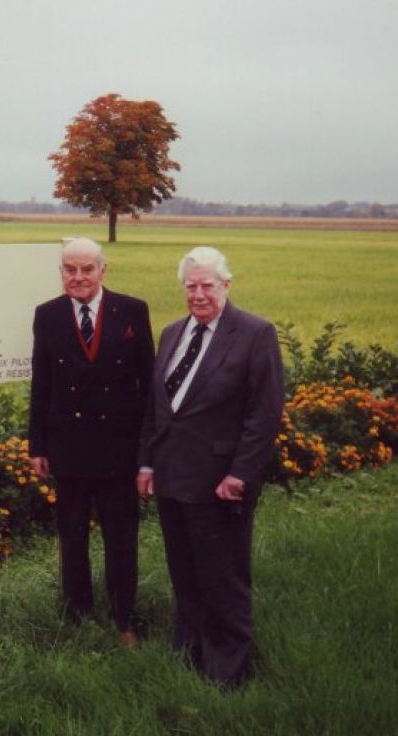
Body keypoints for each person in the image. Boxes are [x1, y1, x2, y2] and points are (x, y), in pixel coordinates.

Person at [137, 246, 284, 687]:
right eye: (191, 286)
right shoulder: (171, 333)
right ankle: (190, 651)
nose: (199, 294)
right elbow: (156, 407)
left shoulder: (255, 334)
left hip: (221, 481)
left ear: (227, 285)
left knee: (224, 576)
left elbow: (265, 412)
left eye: (208, 285)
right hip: (172, 476)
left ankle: (227, 669)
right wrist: (146, 463)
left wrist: (240, 474)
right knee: (185, 571)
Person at [29, 237, 155, 647]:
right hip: (69, 448)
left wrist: (146, 454)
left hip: (120, 450)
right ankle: (78, 615)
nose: (78, 277)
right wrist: (38, 446)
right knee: (72, 536)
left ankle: (125, 619)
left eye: (86, 269)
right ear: (62, 272)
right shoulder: (47, 316)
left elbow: (149, 385)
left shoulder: (133, 311)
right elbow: (42, 383)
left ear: (103, 270)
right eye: (70, 269)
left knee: (121, 538)